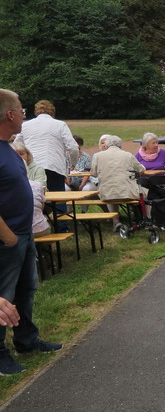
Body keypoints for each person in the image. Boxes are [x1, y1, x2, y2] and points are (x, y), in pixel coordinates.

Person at [0, 89, 62, 376]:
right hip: (8, 239)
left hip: (24, 234)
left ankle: (26, 340)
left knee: (26, 290)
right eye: (22, 110)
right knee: (4, 296)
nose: (24, 116)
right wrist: (8, 236)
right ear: (9, 114)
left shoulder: (9, 147)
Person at [17, 99, 78, 199]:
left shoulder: (25, 125)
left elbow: (16, 146)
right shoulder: (60, 125)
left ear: (36, 111)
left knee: (33, 198)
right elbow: (73, 148)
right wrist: (73, 163)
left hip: (32, 167)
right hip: (54, 166)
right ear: (52, 112)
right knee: (58, 199)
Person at [90, 135, 145, 228]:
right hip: (127, 193)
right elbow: (141, 170)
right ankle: (146, 218)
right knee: (146, 192)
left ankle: (116, 221)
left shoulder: (98, 156)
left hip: (106, 194)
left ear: (106, 145)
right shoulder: (128, 155)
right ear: (120, 145)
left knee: (111, 192)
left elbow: (93, 174)